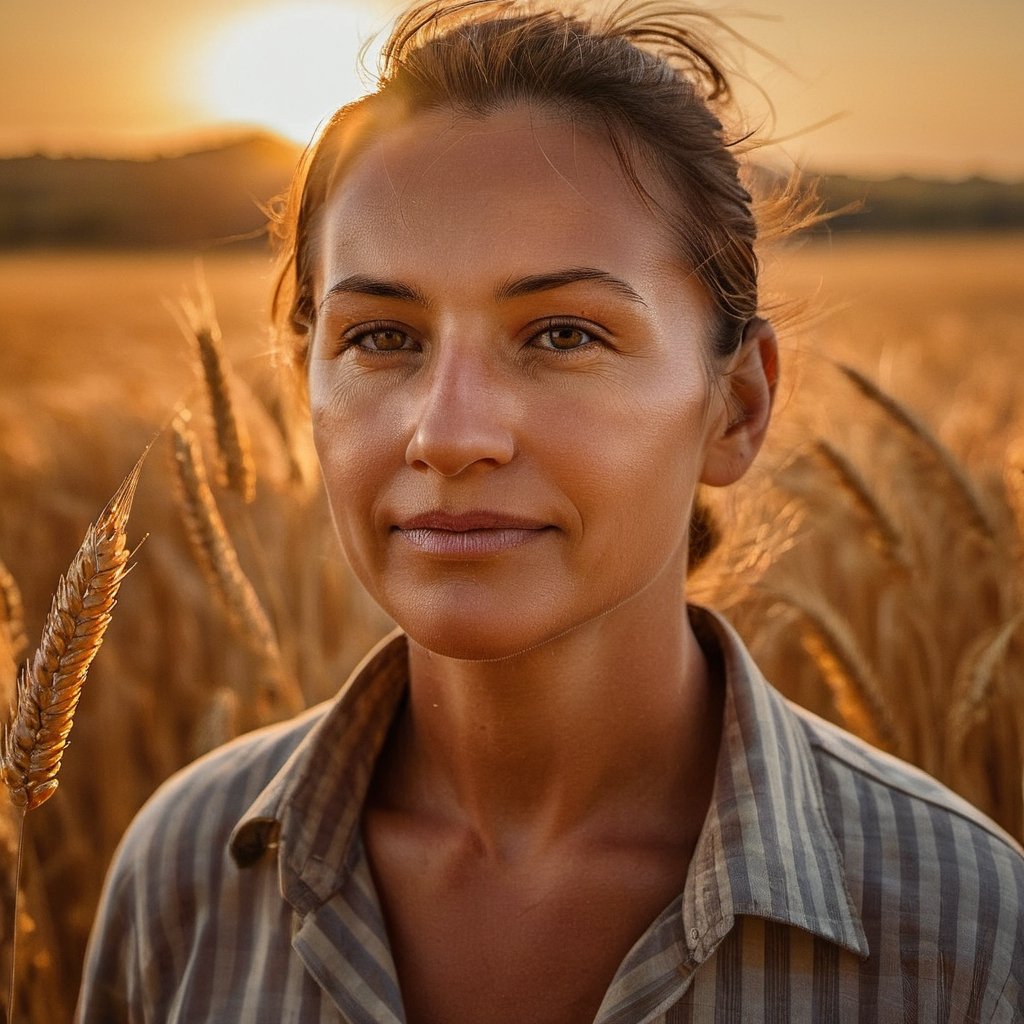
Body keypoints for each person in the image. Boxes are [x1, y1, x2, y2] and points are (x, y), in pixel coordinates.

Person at [77, 1, 1024, 1021]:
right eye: (381, 337)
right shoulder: (183, 874)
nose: (447, 433)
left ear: (737, 406)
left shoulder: (963, 928)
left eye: (564, 334)